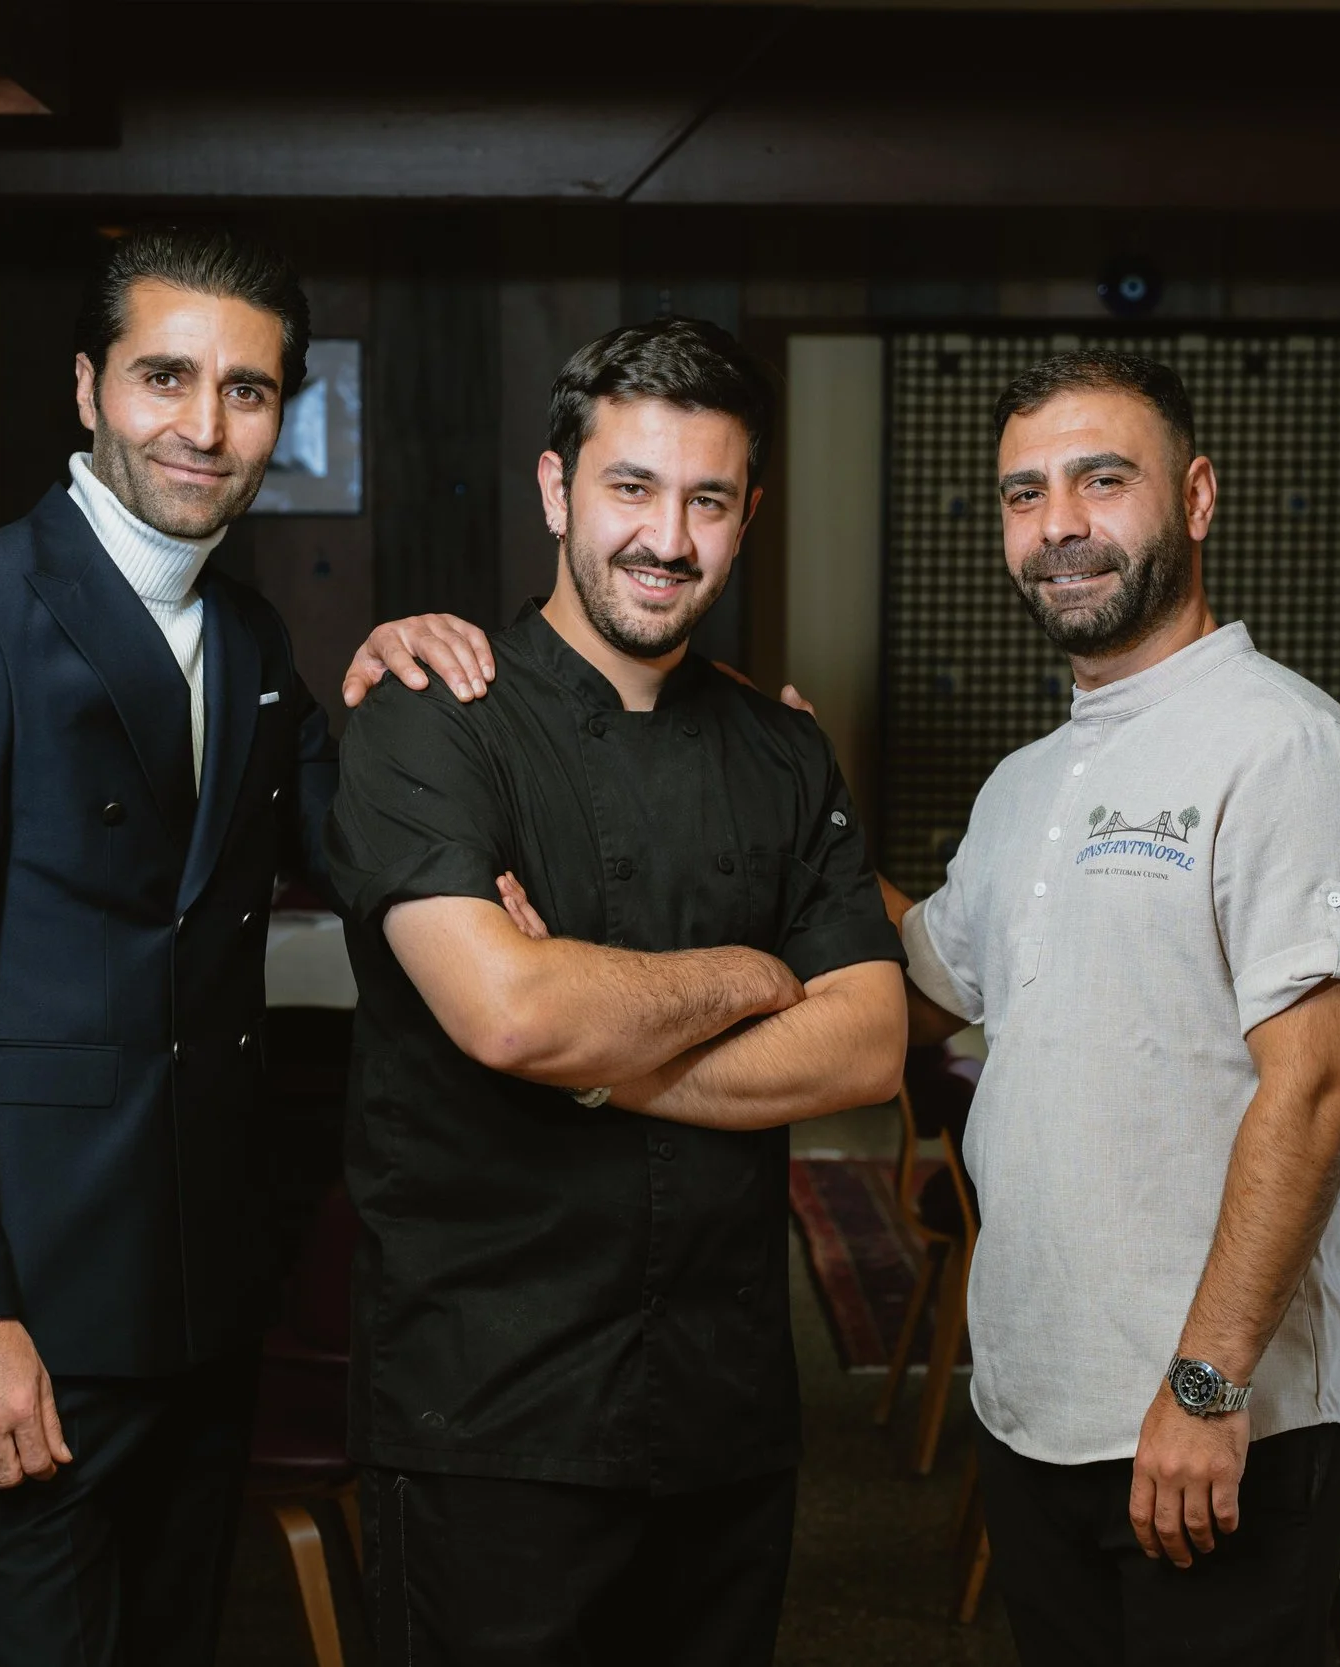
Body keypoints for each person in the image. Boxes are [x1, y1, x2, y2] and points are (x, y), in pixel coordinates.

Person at [0, 222, 477, 1667]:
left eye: (247, 391)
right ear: (87, 387)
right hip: (25, 1307)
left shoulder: (248, 636)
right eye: (164, 377)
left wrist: (401, 691)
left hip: (195, 1292)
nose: (203, 425)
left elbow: (357, 842)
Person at [323, 317, 908, 1665]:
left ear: (749, 512)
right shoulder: (428, 716)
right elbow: (508, 1012)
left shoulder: (783, 751)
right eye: (631, 488)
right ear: (555, 491)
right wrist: (758, 976)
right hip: (491, 1410)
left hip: (723, 1410)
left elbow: (868, 1044)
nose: (668, 538)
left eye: (708, 499)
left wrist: (597, 1046)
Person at [893, 350, 1340, 1664]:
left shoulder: (1282, 748)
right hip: (1037, 1410)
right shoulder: (1028, 780)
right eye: (1023, 493)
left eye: (1099, 479)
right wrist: (773, 788)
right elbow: (925, 977)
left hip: (1220, 1427)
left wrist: (1205, 1383)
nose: (1058, 523)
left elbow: (1316, 1088)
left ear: (1194, 497)